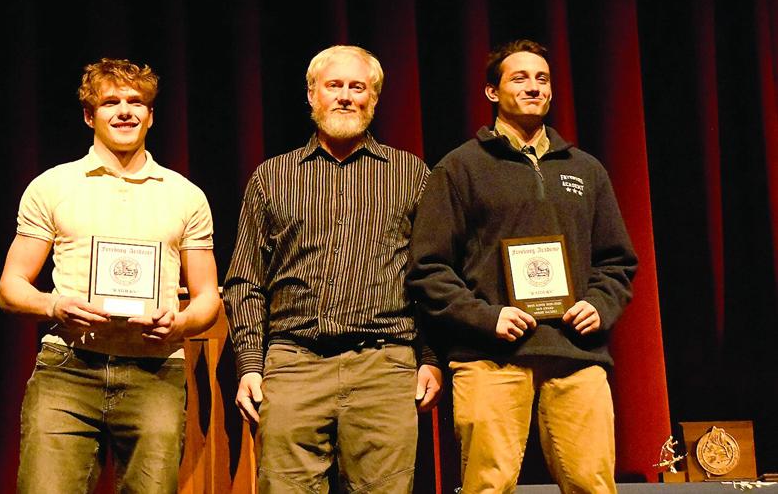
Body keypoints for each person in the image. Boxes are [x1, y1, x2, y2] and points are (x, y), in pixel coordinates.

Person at [407, 39, 638, 493]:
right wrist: (486, 316)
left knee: (594, 484)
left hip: (575, 354)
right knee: (487, 486)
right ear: (492, 92)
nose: (534, 88)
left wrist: (599, 303)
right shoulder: (459, 169)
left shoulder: (586, 170)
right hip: (489, 357)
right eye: (520, 78)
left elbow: (617, 261)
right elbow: (428, 268)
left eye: (543, 79)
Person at [223, 45, 442, 493]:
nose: (345, 96)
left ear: (374, 99)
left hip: (384, 366)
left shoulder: (411, 174)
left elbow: (432, 275)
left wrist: (431, 358)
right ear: (311, 95)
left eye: (357, 87)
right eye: (334, 85)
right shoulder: (272, 177)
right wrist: (249, 364)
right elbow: (245, 280)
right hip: (293, 364)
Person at [0, 58, 220, 493]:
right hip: (68, 366)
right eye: (110, 102)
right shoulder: (53, 186)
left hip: (154, 372)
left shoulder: (185, 195)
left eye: (136, 102)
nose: (125, 111)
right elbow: (10, 287)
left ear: (151, 115)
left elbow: (208, 295)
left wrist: (181, 323)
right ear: (89, 115)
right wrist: (54, 304)